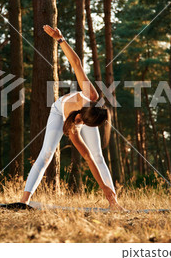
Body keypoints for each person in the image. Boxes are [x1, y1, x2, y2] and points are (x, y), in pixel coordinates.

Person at [20, 25, 125, 210]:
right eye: (84, 124)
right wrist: (60, 39)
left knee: (98, 155)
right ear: (81, 119)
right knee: (46, 155)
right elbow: (76, 63)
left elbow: (90, 158)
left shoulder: (91, 108)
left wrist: (106, 190)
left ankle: (114, 203)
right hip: (58, 111)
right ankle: (23, 201)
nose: (82, 127)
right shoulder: (87, 99)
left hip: (83, 114)